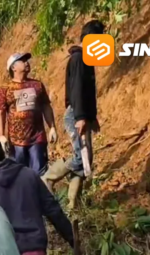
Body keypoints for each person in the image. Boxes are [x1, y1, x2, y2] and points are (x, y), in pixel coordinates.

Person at [41, 20, 105, 209]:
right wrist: (81, 117)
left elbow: (86, 93)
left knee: (85, 158)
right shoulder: (79, 59)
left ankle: (73, 205)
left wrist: (91, 117)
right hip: (76, 115)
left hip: (81, 114)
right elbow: (76, 90)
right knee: (81, 157)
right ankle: (48, 178)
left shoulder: (86, 59)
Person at [0, 52, 58, 175]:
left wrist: (52, 128)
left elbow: (46, 106)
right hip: (17, 141)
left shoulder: (37, 85)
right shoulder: (5, 89)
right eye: (22, 61)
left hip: (37, 138)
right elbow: (1, 112)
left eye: (26, 60)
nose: (27, 63)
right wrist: (1, 135)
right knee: (20, 175)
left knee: (40, 173)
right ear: (13, 68)